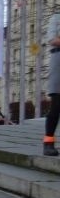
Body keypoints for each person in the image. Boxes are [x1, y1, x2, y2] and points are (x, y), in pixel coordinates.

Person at [44, 13, 60, 156]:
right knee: (56, 106)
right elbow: (53, 40)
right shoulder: (56, 18)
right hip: (58, 61)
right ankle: (48, 143)